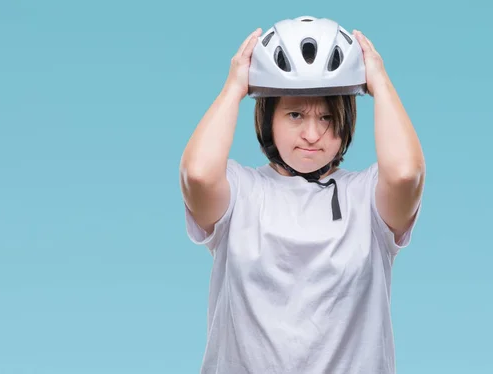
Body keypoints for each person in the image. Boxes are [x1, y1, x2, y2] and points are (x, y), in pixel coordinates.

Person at [179, 16, 425, 374]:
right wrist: (233, 87)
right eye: (295, 114)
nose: (312, 133)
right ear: (268, 119)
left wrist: (382, 84)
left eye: (326, 117)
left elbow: (406, 175)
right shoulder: (240, 191)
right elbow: (197, 176)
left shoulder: (367, 197)